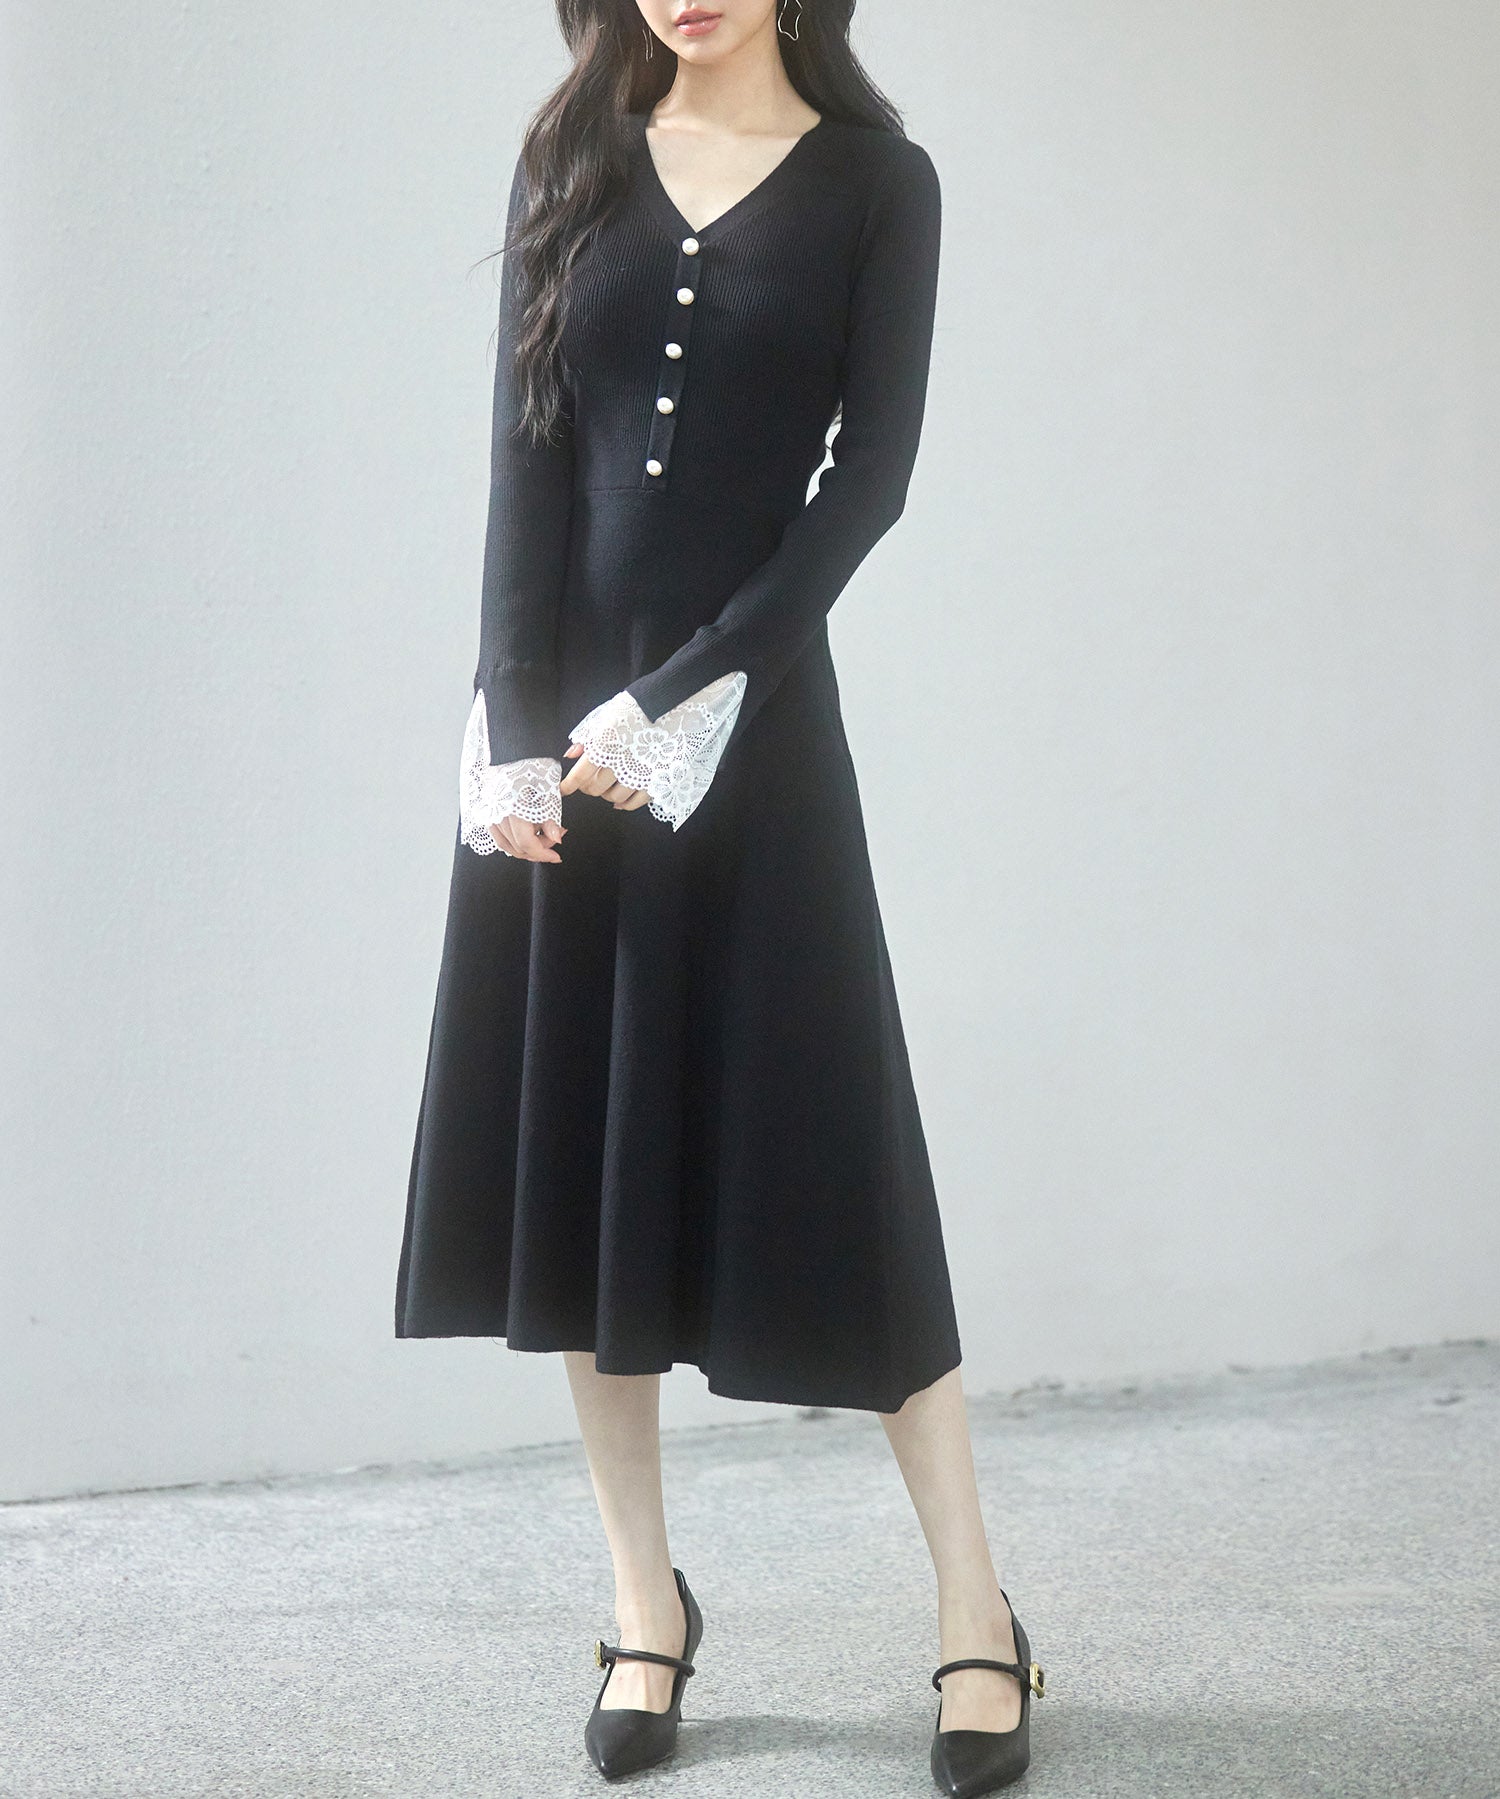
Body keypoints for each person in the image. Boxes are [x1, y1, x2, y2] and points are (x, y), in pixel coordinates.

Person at [394, 1, 1044, 1790]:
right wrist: (513, 727)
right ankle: (643, 1605)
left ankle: (975, 1612)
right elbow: (526, 458)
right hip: (563, 758)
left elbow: (868, 485)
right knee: (586, 1178)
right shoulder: (571, 157)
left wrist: (691, 690)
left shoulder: (880, 185)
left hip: (747, 728)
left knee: (839, 1157)